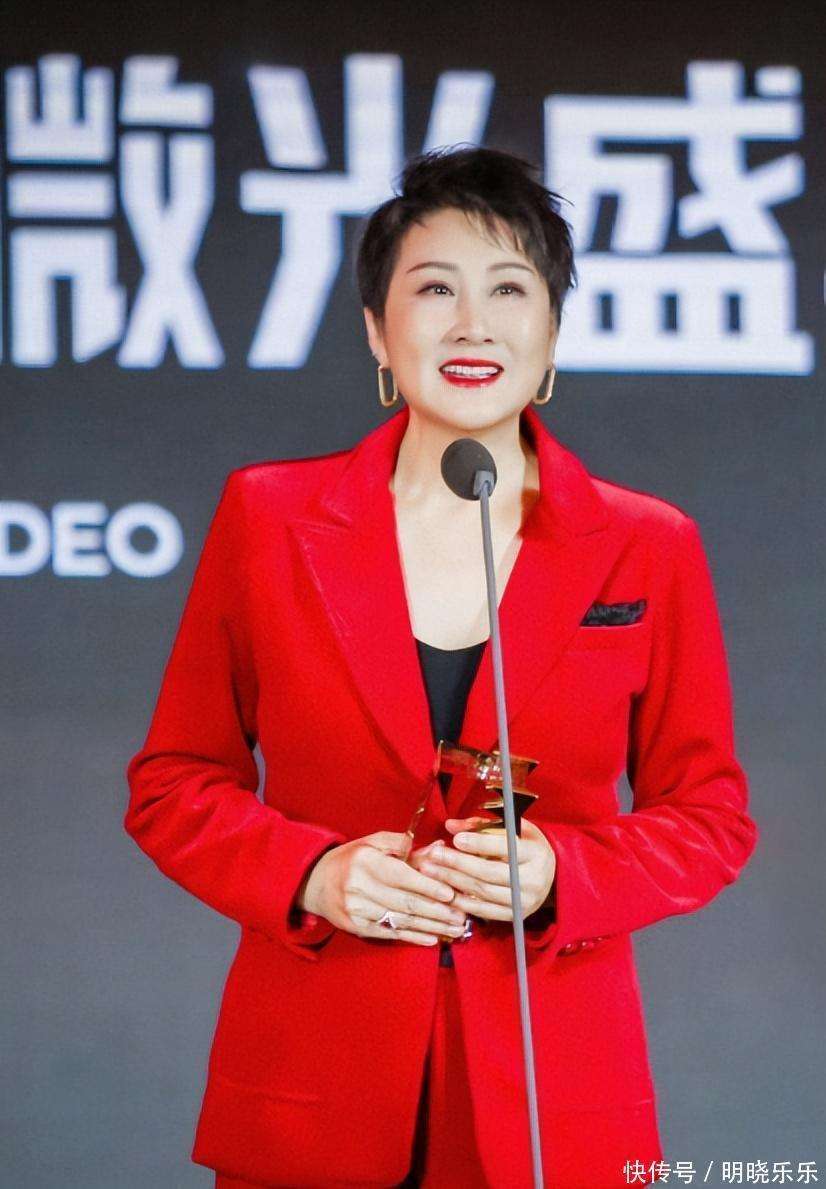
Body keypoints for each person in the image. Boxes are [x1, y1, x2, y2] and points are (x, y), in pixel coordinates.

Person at [124, 145, 759, 1188]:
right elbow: (174, 783)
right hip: (314, 1082)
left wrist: (562, 875)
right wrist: (312, 874)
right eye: (433, 289)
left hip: (549, 1098)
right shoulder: (270, 518)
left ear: (551, 331)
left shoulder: (646, 545)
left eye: (509, 289)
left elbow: (710, 815)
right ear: (378, 329)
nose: (472, 324)